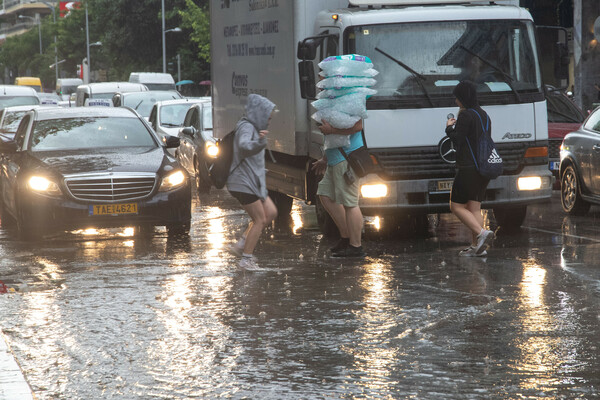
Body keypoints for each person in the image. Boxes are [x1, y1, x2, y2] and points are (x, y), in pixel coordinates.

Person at [226, 94, 278, 270]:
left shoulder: (253, 127)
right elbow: (244, 146)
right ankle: (246, 260)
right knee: (259, 219)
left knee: (270, 213)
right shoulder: (246, 127)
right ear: (259, 114)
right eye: (268, 118)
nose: (269, 122)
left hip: (252, 182)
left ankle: (241, 244)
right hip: (242, 182)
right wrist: (260, 142)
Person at [445, 80, 495, 256]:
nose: (456, 101)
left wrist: (449, 128)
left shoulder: (466, 116)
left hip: (468, 168)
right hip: (483, 168)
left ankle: (482, 234)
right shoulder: (484, 115)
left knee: (456, 206)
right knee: (474, 208)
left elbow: (458, 139)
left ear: (462, 98)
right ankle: (477, 248)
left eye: (457, 98)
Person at [311, 119, 365, 258]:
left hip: (346, 159)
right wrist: (325, 158)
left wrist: (332, 130)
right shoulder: (334, 99)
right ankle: (346, 238)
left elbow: (358, 126)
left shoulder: (352, 98)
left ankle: (356, 246)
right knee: (325, 195)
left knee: (350, 203)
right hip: (334, 159)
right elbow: (331, 138)